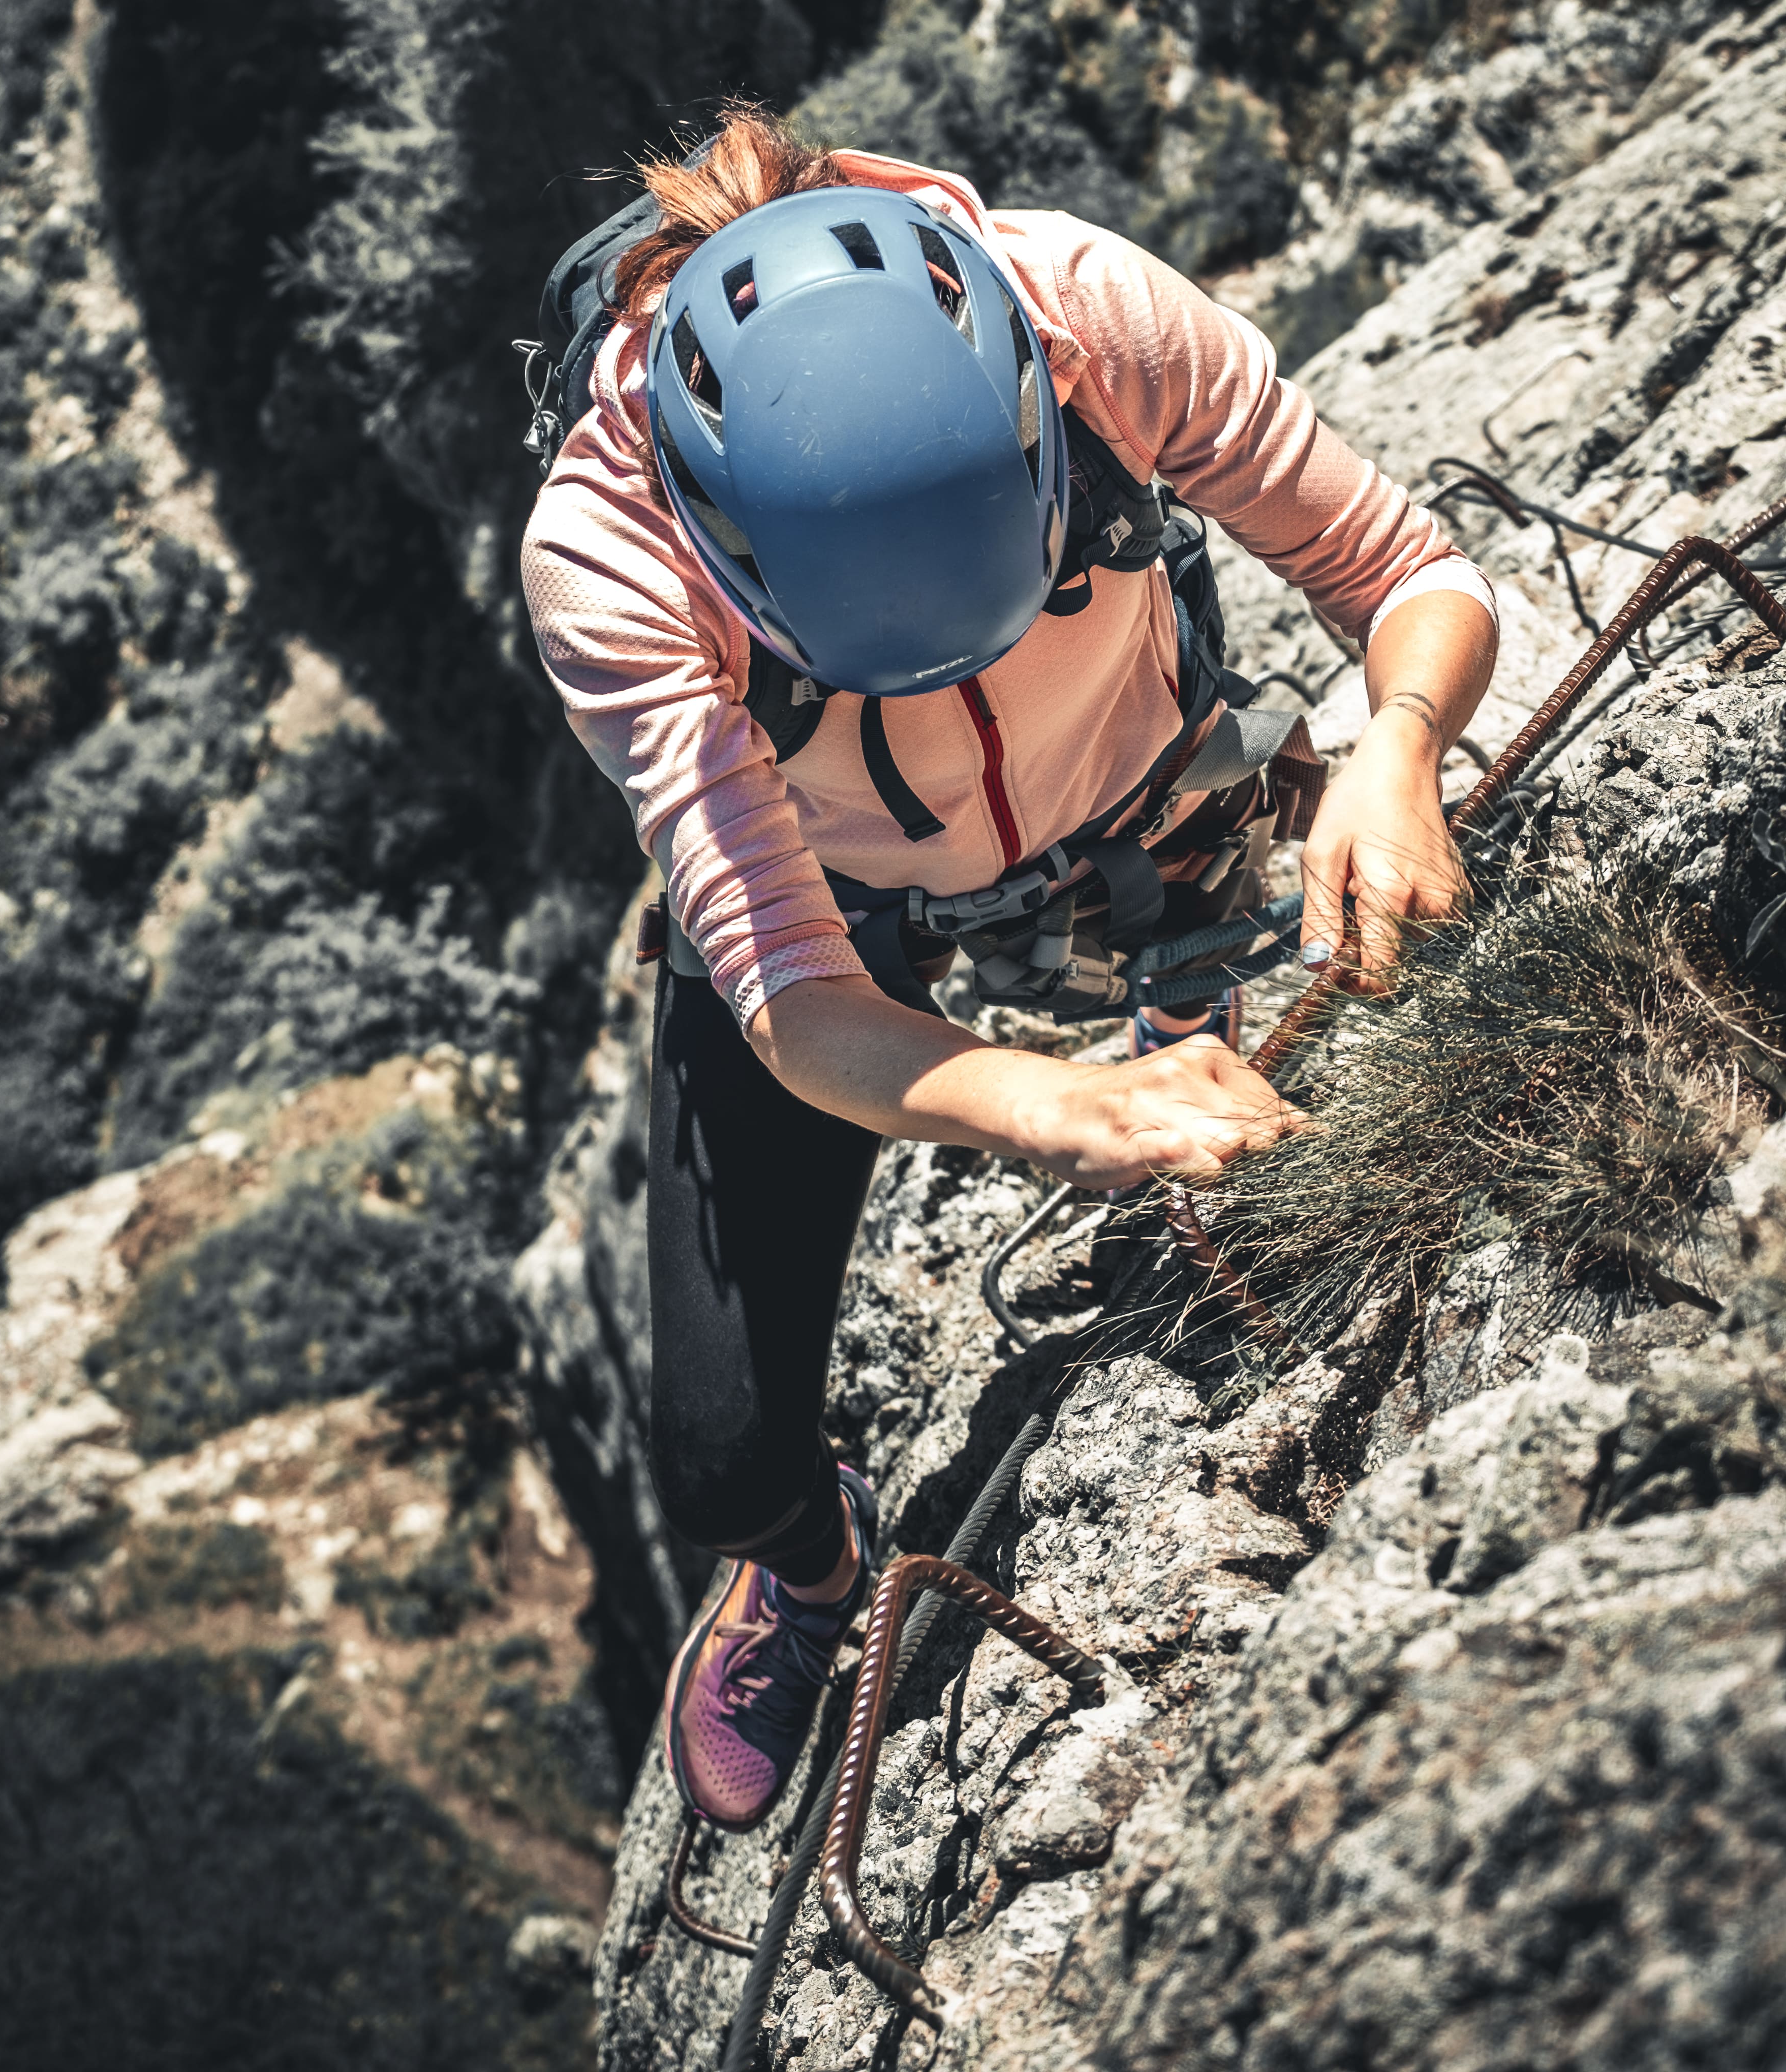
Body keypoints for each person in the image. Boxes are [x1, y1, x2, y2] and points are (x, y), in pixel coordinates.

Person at [520, 105, 1496, 1834]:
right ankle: (808, 1577)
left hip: (1127, 770)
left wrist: (1396, 744)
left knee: (1239, 1000)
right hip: (835, 889)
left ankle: (1185, 1040)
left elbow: (1407, 574)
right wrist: (1049, 1108)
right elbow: (800, 1001)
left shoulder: (1091, 316)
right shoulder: (611, 557)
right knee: (720, 1455)